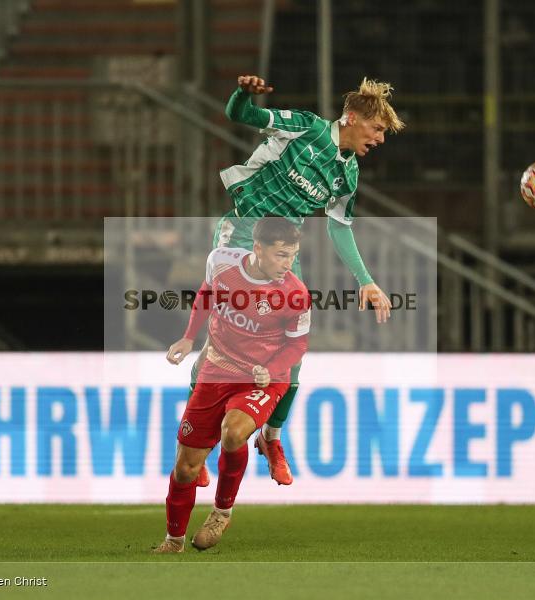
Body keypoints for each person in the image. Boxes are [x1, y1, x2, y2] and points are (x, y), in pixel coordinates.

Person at [188, 74, 406, 486]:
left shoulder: (349, 174)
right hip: (241, 237)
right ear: (352, 116)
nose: (379, 139)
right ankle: (197, 447)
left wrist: (366, 280)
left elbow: (339, 228)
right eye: (377, 129)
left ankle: (272, 437)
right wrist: (243, 94)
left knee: (294, 349)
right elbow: (239, 114)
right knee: (219, 340)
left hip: (285, 258)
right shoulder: (305, 127)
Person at [155, 217, 310, 553]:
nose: (288, 263)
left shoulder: (295, 293)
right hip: (217, 369)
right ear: (257, 248)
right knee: (185, 468)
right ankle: (173, 541)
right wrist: (187, 338)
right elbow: (207, 295)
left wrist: (272, 370)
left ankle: (221, 514)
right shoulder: (221, 263)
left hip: (262, 379)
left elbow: (297, 345)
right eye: (281, 255)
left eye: (293, 255)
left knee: (233, 431)